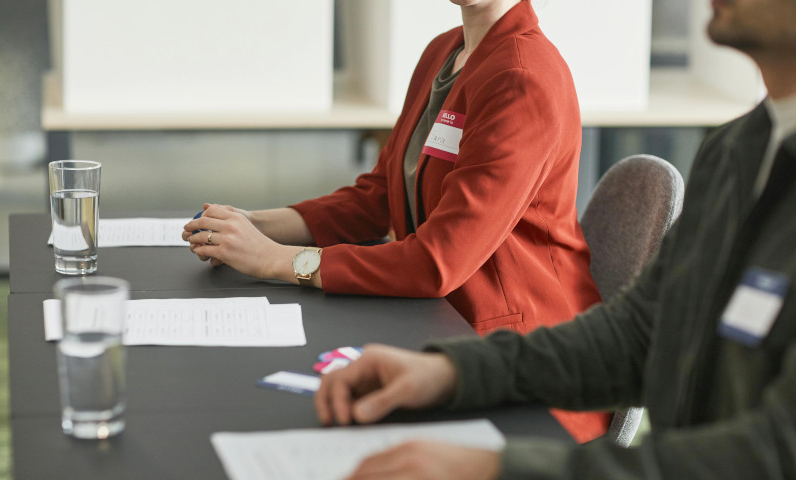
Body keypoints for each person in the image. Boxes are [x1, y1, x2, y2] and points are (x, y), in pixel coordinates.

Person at [314, 0, 796, 477]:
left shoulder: (524, 71)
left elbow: (773, 453)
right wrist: (453, 371)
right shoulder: (736, 150)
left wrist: (497, 468)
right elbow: (639, 333)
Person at [184, 0, 607, 441]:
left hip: (520, 366)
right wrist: (254, 226)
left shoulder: (523, 79)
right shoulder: (444, 52)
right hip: (434, 326)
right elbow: (378, 196)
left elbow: (436, 262)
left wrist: (276, 260)